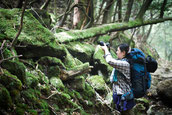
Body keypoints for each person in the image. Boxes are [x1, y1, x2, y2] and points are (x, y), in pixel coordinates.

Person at [101, 43, 135, 115]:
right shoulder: (121, 62)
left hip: (125, 97)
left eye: (118, 50)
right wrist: (106, 51)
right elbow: (111, 61)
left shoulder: (125, 64)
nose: (116, 52)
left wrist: (106, 50)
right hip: (120, 96)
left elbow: (110, 61)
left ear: (123, 53)